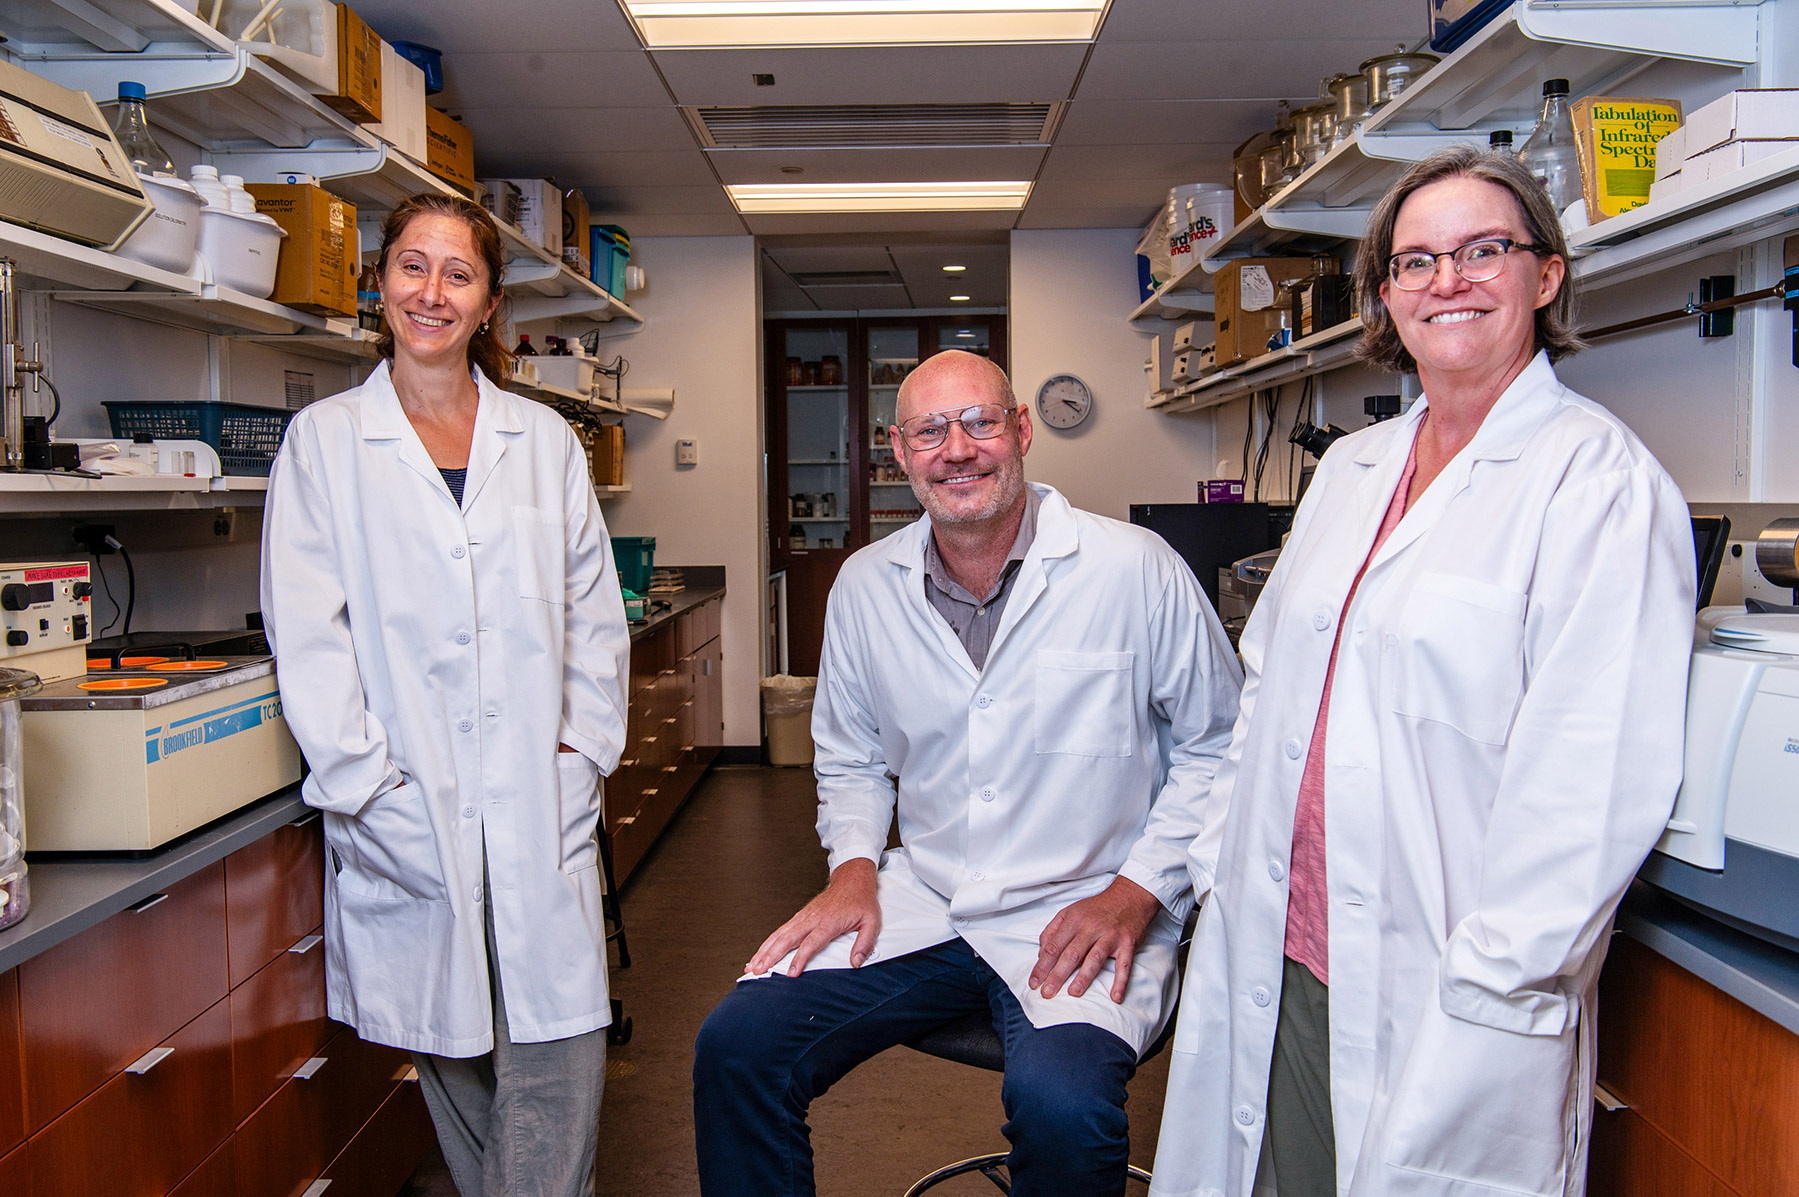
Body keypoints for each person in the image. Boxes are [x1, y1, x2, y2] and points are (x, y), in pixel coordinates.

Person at [1149, 145, 1695, 1197]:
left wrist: (1491, 981)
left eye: (1481, 250)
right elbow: (1266, 686)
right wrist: (1220, 861)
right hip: (1278, 941)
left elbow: (1588, 784)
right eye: (1414, 262)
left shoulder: (1596, 483)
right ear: (1384, 295)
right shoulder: (1352, 470)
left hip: (1440, 979)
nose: (1446, 281)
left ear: (1543, 276)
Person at [693, 349, 1243, 1196]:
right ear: (898, 449)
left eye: (980, 421)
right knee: (737, 1045)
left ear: (1020, 429)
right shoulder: (866, 585)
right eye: (930, 430)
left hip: (1087, 899)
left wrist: (1137, 893)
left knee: (1059, 1103)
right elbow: (848, 754)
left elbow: (1217, 746)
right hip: (930, 897)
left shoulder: (1135, 568)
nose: (958, 449)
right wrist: (851, 870)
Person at [261, 193, 629, 1197]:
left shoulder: (543, 443)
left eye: (456, 273)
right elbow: (310, 637)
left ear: (489, 301)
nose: (431, 292)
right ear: (381, 286)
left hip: (536, 791)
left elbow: (593, 618)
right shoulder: (326, 444)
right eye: (412, 268)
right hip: (404, 797)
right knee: (455, 1048)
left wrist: (581, 751)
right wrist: (367, 786)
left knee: (557, 1045)